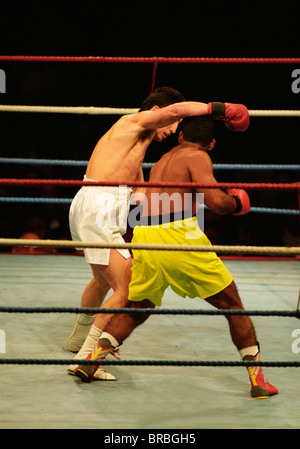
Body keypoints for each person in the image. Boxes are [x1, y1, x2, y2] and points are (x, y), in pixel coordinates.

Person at [71, 115, 278, 399]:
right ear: (212, 144)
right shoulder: (198, 156)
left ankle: (91, 360)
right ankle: (259, 380)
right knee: (233, 305)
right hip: (178, 235)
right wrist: (237, 203)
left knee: (139, 304)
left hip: (145, 236)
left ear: (181, 136)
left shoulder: (162, 160)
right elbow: (216, 202)